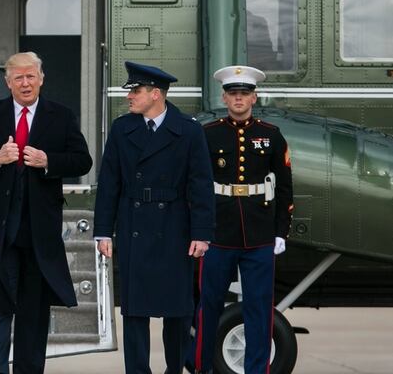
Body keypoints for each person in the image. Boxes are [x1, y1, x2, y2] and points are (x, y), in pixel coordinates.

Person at [0, 52, 93, 374]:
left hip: (38, 233)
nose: (26, 83)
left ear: (42, 78)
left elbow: (81, 160)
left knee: (34, 311)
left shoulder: (60, 116)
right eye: (18, 78)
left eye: (31, 76)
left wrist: (49, 162)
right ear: (8, 82)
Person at [93, 61, 215, 374]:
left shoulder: (188, 131)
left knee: (177, 311)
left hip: (174, 227)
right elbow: (110, 183)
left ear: (156, 94)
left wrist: (202, 234)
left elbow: (200, 185)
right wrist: (103, 231)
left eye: (136, 90)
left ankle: (174, 369)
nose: (129, 96)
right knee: (134, 312)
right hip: (134, 224)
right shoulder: (123, 129)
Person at [188, 65, 294, 374]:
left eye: (244, 93)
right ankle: (203, 368)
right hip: (218, 233)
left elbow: (285, 186)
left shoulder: (270, 135)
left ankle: (256, 370)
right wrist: (199, 230)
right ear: (224, 97)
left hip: (259, 234)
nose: (239, 99)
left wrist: (281, 232)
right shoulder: (208, 134)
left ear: (254, 97)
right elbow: (196, 186)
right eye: (233, 93)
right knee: (208, 308)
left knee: (259, 309)